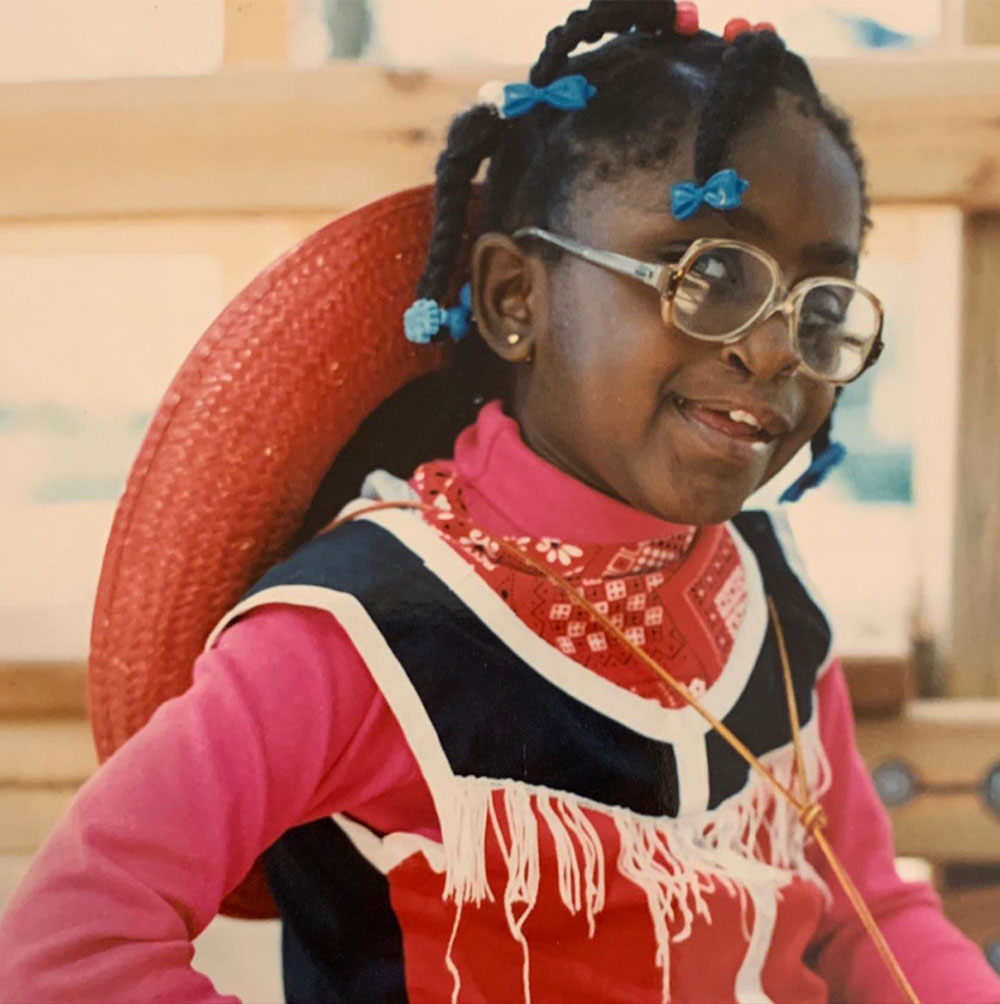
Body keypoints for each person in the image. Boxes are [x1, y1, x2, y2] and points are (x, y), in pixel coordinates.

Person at [2, 3, 998, 1002]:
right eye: (711, 274)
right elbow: (71, 948)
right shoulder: (359, 634)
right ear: (517, 298)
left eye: (819, 305)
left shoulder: (766, 595)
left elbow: (867, 905)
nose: (778, 348)